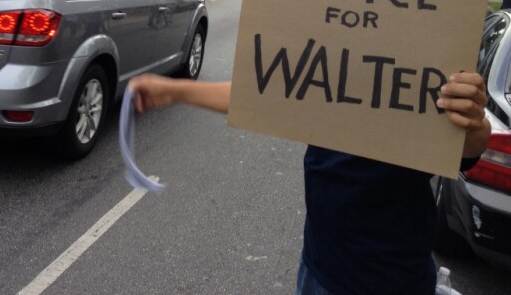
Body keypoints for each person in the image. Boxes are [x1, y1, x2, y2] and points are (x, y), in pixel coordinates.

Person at [128, 70, 490, 294]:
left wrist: (476, 119)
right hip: (320, 270)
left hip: (398, 280)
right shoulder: (325, 80)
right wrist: (176, 91)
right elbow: (257, 93)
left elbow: (470, 147)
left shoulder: (424, 93)